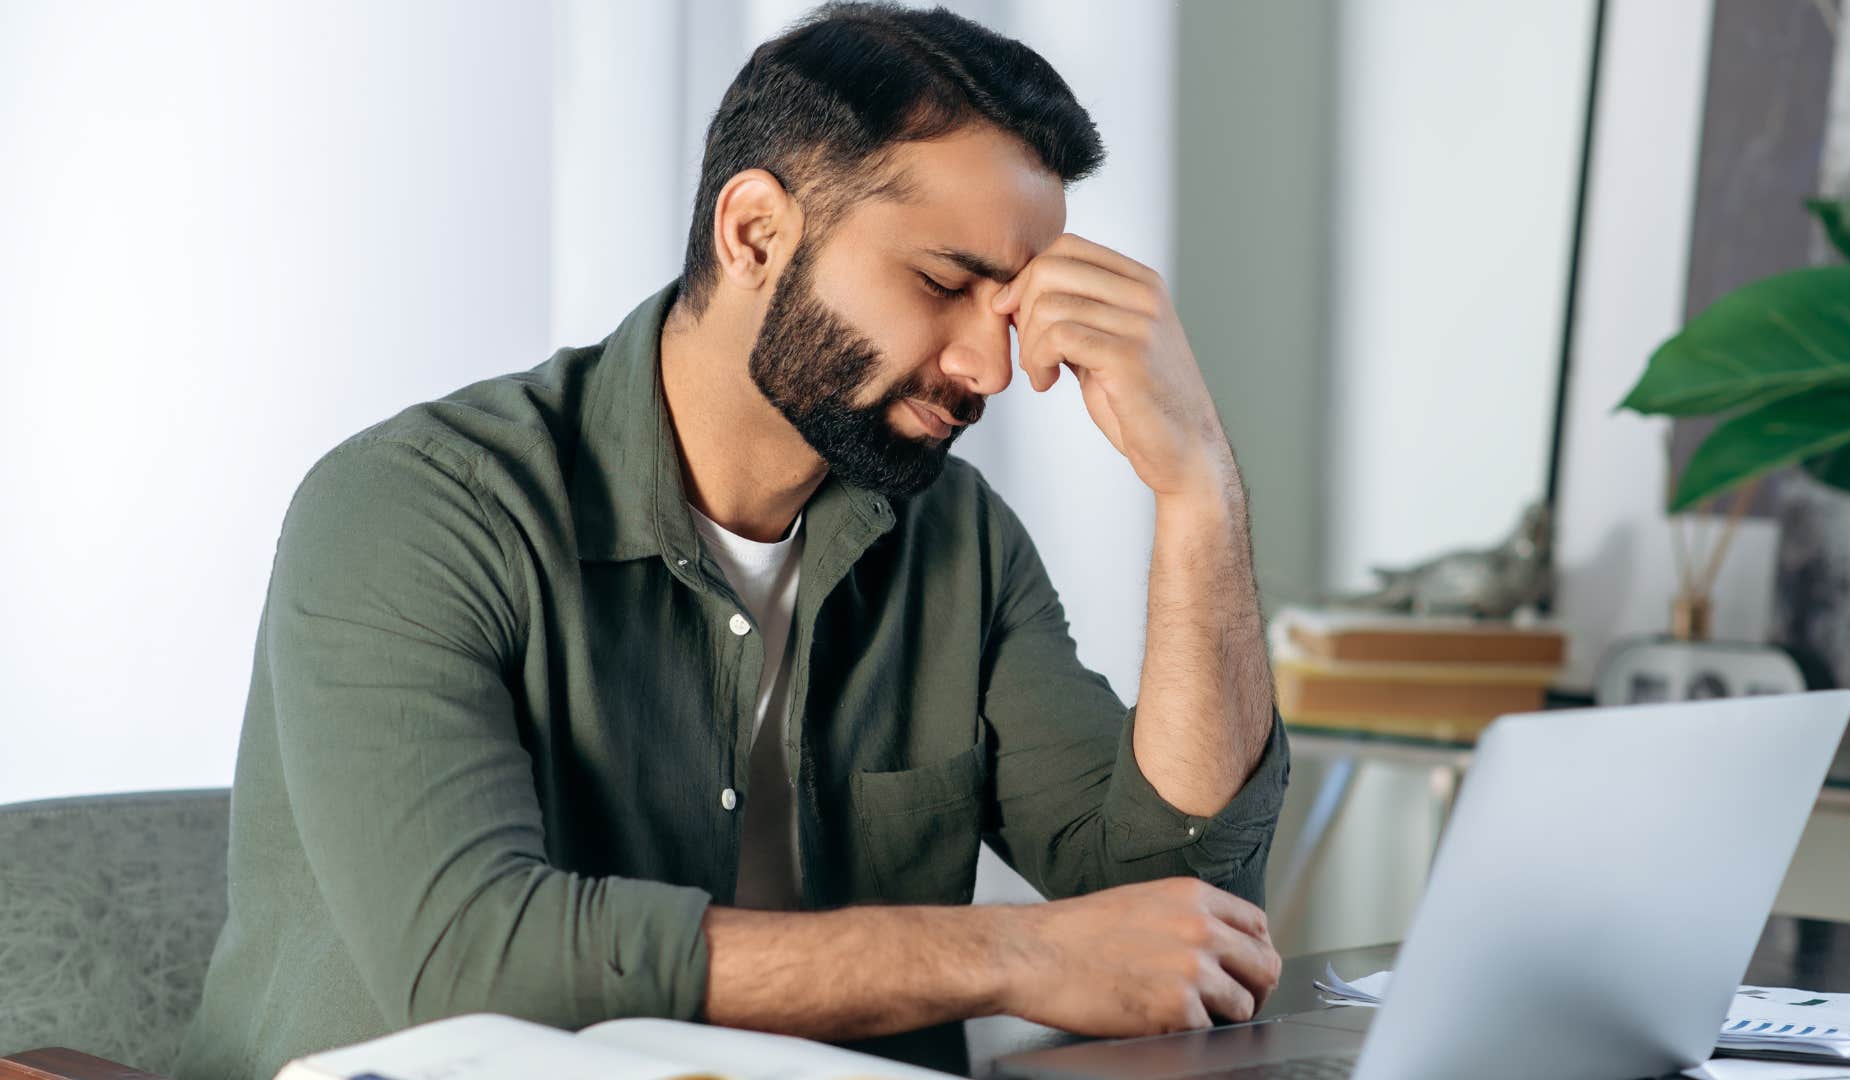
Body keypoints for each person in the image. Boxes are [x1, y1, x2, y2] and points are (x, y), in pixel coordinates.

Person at [174, 3, 1289, 1078]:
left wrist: (1197, 492)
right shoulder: (414, 508)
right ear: (755, 232)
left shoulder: (956, 540)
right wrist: (1009, 956)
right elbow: (474, 957)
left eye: (1009, 311)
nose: (992, 371)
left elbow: (1173, 890)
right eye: (945, 284)